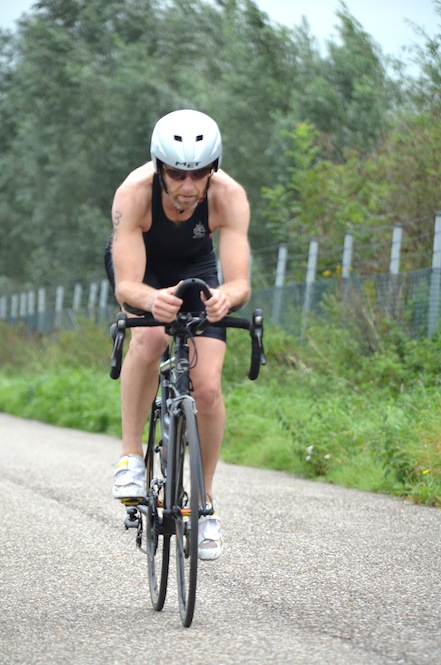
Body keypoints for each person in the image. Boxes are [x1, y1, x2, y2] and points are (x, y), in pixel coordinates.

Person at [104, 109, 250, 560]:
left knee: (207, 388)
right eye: (177, 174)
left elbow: (240, 282)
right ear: (159, 168)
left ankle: (203, 505)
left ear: (214, 169)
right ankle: (131, 457)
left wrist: (225, 297)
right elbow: (126, 286)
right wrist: (151, 300)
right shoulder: (134, 194)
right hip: (143, 269)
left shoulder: (229, 196)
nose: (188, 186)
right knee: (150, 339)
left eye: (199, 173)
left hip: (196, 267)